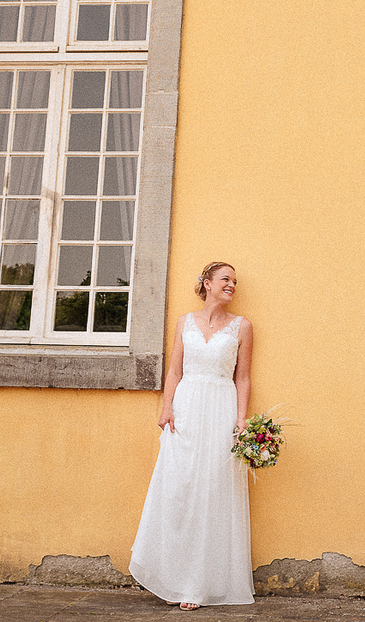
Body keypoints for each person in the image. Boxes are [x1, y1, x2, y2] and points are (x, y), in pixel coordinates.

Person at [130, 262, 255, 611]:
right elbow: (174, 369)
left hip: (220, 409)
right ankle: (172, 576)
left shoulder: (242, 327)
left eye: (235, 281)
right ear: (207, 283)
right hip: (185, 409)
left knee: (212, 490)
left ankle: (198, 586)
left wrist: (241, 420)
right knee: (179, 488)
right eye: (225, 279)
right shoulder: (184, 322)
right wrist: (166, 406)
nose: (232, 284)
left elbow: (242, 378)